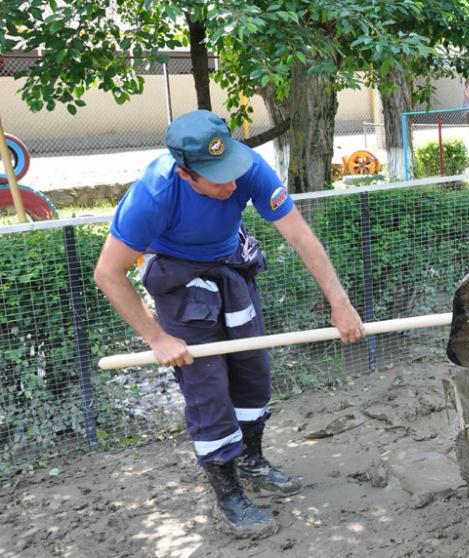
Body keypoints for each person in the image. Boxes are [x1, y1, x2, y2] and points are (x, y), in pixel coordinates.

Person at [93, 110, 366, 538]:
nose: (232, 185)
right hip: (181, 282)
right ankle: (229, 493)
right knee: (207, 388)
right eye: (218, 179)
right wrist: (158, 337)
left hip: (230, 267)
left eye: (233, 171)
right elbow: (108, 273)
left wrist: (340, 302)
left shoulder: (247, 168)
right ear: (187, 175)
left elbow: (299, 235)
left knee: (253, 371)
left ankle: (252, 460)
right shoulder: (155, 192)